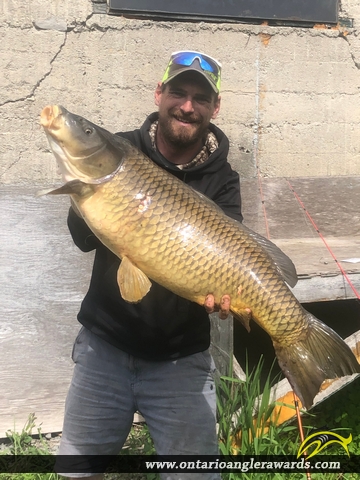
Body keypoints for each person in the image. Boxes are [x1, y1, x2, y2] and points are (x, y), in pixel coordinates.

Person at [56, 51, 243, 479]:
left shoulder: (223, 180)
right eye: (178, 91)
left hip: (182, 360)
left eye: (200, 98)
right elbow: (83, 239)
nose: (187, 106)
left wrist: (225, 298)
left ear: (215, 108)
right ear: (160, 94)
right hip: (105, 345)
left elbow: (233, 258)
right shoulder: (120, 149)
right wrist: (84, 191)